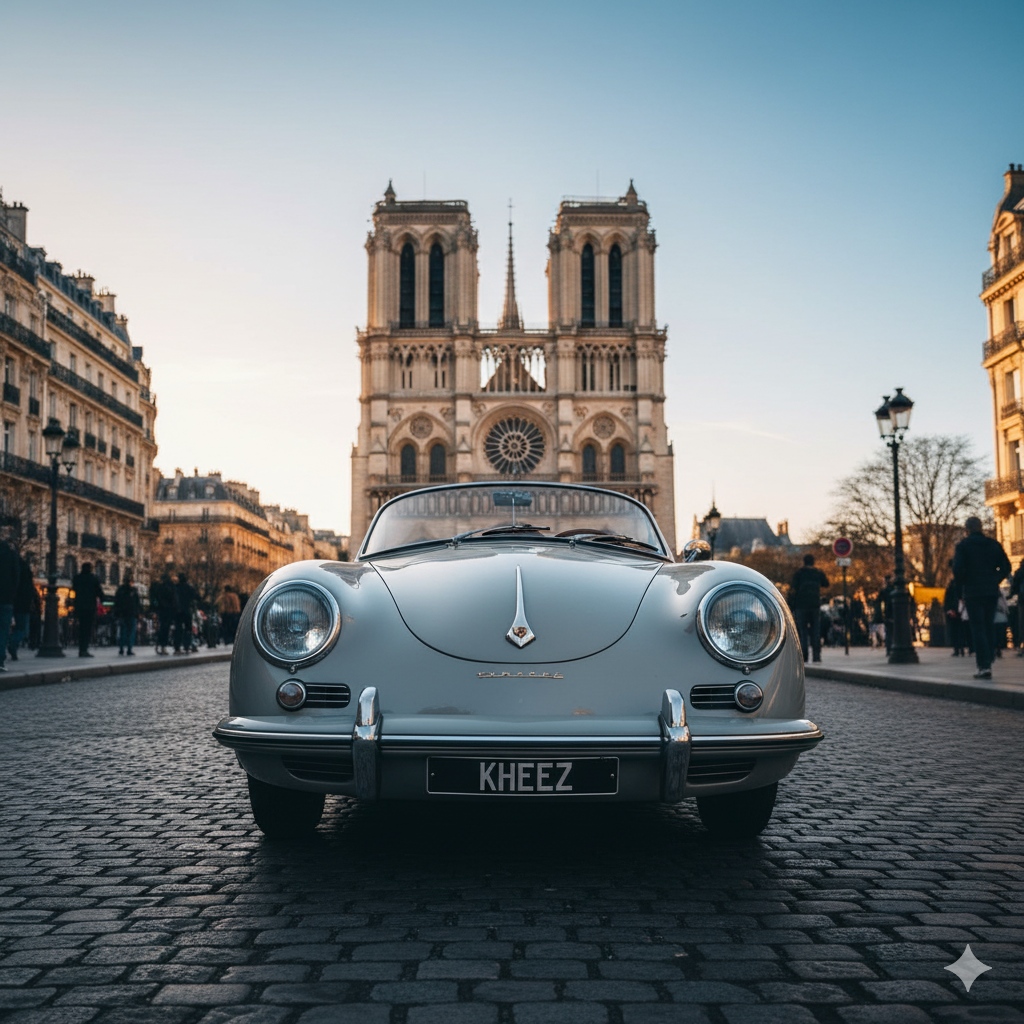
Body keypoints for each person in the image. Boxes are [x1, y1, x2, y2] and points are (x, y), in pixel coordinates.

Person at [952, 516, 1012, 680]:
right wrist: (995, 579)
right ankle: (990, 656)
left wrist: (963, 586)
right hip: (991, 590)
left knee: (977, 628)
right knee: (988, 625)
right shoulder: (992, 545)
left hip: (973, 592)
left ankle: (983, 665)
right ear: (981, 527)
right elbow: (1006, 566)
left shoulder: (963, 546)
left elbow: (957, 570)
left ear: (967, 529)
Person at [789, 555, 830, 663]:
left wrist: (791, 605)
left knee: (802, 632)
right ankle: (816, 656)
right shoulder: (818, 573)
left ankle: (804, 656)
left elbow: (792, 589)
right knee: (816, 631)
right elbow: (826, 584)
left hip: (801, 605)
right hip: (815, 605)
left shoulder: (799, 574)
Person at [71, 562, 104, 658]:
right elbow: (99, 592)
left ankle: (81, 648)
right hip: (90, 607)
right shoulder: (93, 579)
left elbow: (74, 588)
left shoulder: (77, 578)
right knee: (87, 629)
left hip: (79, 606)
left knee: (81, 628)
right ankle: (84, 649)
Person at [8, 552, 34, 660]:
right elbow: (29, 589)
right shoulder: (25, 571)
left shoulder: (10, 569)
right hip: (23, 604)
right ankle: (12, 644)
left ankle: (9, 643)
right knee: (23, 628)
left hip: (10, 600)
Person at [0, 536, 20, 672]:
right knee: (3, 631)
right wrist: (12, 594)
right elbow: (16, 577)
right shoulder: (10, 554)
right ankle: (0, 660)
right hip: (6, 597)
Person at [113, 570, 142, 656]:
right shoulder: (133, 591)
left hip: (123, 614)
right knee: (130, 632)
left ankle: (122, 648)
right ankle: (129, 648)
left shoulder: (120, 590)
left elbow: (117, 602)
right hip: (131, 614)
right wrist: (138, 613)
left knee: (123, 632)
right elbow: (137, 603)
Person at [150, 572, 176, 655]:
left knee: (162, 628)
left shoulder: (159, 587)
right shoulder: (171, 587)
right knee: (166, 628)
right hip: (168, 610)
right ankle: (163, 646)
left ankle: (161, 645)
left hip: (161, 610)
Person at [944, 565, 965, 657]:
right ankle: (961, 648)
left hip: (954, 609)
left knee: (954, 631)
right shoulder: (962, 584)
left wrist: (949, 609)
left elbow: (948, 599)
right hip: (961, 609)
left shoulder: (952, 585)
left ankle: (957, 649)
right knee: (961, 630)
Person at [174, 571, 197, 654]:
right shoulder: (189, 588)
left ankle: (177, 647)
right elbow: (195, 596)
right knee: (188, 629)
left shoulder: (176, 587)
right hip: (187, 610)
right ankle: (187, 646)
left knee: (178, 629)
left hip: (178, 611)